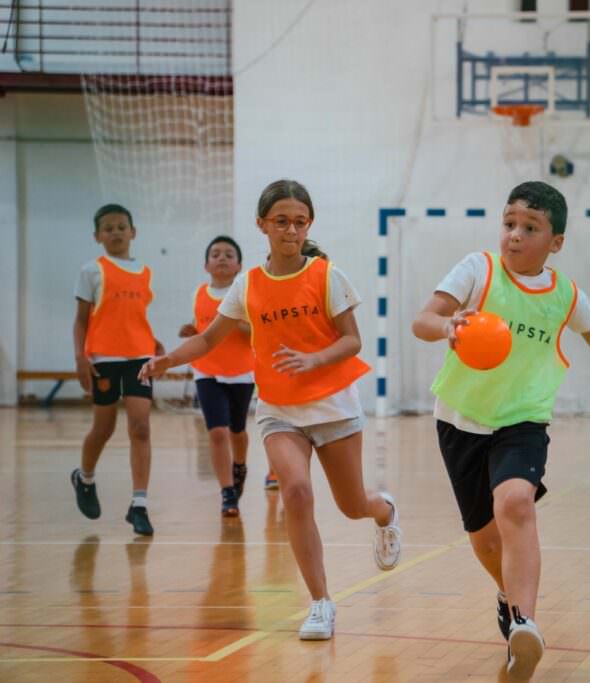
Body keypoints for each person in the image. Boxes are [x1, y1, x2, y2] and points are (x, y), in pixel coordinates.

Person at [141, 180, 401, 640]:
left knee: (352, 504)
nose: (291, 230)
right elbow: (207, 339)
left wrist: (314, 359)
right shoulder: (248, 284)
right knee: (296, 492)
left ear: (309, 226)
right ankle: (320, 603)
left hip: (334, 405)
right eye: (281, 221)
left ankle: (383, 512)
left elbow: (352, 339)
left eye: (299, 222)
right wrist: (167, 360)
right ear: (262, 225)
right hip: (280, 410)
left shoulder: (326, 275)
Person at [412, 181, 590, 679]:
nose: (515, 235)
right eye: (509, 223)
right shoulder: (479, 269)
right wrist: (450, 326)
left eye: (530, 228)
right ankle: (508, 595)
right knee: (484, 538)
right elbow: (423, 319)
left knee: (515, 502)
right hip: (458, 419)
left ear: (555, 242)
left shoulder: (565, 296)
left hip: (523, 419)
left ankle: (525, 623)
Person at [71, 203, 164, 536]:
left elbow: (133, 317)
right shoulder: (91, 271)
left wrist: (154, 343)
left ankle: (139, 504)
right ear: (98, 236)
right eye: (108, 228)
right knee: (104, 429)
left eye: (121, 226)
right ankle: (85, 477)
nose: (115, 232)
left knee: (140, 428)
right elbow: (82, 321)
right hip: (104, 358)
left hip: (140, 357)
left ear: (133, 232)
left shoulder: (146, 272)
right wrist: (81, 358)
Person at [179, 236, 256, 516]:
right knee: (217, 432)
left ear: (239, 266)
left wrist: (233, 322)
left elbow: (256, 333)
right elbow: (201, 329)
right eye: (215, 254)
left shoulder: (244, 294)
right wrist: (191, 331)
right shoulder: (198, 293)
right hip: (206, 370)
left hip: (242, 372)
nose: (221, 258)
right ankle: (227, 493)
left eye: (228, 254)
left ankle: (240, 465)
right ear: (206, 264)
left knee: (237, 431)